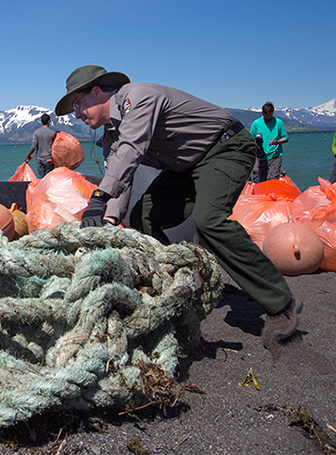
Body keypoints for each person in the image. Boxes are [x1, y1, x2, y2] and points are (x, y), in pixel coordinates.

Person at [55, 64, 301, 341]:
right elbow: (120, 179)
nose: (77, 114)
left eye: (78, 103)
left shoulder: (137, 97)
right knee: (143, 216)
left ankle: (281, 303)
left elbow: (132, 150)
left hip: (225, 149)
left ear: (97, 91)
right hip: (184, 167)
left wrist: (98, 199)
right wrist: (109, 220)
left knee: (209, 220)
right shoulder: (110, 135)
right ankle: (174, 284)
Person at [249, 102, 288, 182]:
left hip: (275, 155)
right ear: (262, 113)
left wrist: (277, 142)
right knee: (260, 180)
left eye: (270, 116)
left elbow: (285, 138)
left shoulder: (278, 123)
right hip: (261, 155)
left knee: (273, 179)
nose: (268, 118)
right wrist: (256, 142)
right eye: (266, 116)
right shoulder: (256, 123)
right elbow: (250, 139)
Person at [25, 113, 57, 177]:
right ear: (49, 121)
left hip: (39, 159)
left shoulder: (36, 132)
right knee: (49, 178)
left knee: (41, 179)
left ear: (41, 121)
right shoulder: (53, 134)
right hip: (49, 159)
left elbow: (34, 146)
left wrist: (28, 155)